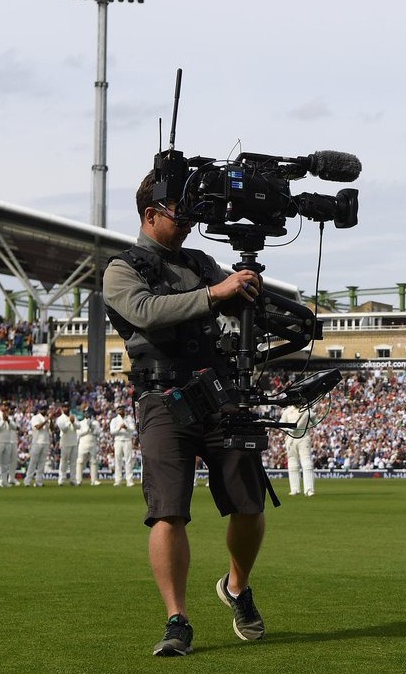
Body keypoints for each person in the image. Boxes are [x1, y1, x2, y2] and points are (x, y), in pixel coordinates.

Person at [102, 169, 276, 657]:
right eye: (179, 213)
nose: (188, 222)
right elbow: (146, 312)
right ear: (149, 214)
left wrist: (255, 295)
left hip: (219, 391)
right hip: (163, 397)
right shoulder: (122, 267)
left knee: (249, 503)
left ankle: (237, 587)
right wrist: (216, 294)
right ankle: (177, 618)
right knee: (168, 512)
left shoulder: (203, 260)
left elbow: (240, 299)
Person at [278, 404, 314, 496]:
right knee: (292, 464)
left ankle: (309, 489)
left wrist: (312, 417)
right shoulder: (287, 411)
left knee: (307, 463)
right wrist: (289, 429)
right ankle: (295, 489)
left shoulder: (307, 410)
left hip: (303, 438)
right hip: (291, 439)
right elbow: (281, 424)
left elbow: (315, 422)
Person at [0, 401, 19, 488]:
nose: (6, 407)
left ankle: (4, 481)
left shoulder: (8, 417)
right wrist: (3, 420)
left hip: (8, 441)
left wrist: (8, 420)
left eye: (7, 406)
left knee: (5, 464)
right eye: (4, 406)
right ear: (0, 406)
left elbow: (14, 427)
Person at [23, 403, 53, 487]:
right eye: (42, 409)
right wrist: (47, 420)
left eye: (45, 409)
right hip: (37, 442)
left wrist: (51, 420)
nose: (44, 411)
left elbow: (52, 429)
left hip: (45, 442)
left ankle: (39, 481)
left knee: (42, 463)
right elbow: (38, 427)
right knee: (33, 462)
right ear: (40, 410)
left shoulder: (47, 418)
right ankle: (27, 481)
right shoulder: (35, 418)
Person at [110, 405, 137, 487]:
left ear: (124, 410)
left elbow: (133, 429)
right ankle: (118, 481)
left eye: (122, 409)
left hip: (127, 440)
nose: (121, 411)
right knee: (118, 461)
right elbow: (112, 432)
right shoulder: (114, 420)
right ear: (117, 411)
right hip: (118, 441)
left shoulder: (129, 419)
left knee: (128, 460)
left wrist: (126, 427)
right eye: (119, 409)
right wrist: (119, 428)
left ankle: (129, 481)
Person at [75, 407, 102, 486]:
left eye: (88, 412)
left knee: (93, 462)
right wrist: (86, 430)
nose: (87, 414)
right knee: (80, 461)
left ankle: (94, 480)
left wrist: (92, 428)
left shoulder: (96, 423)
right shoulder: (80, 423)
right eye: (85, 412)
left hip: (92, 443)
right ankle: (78, 480)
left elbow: (98, 433)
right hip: (83, 444)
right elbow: (78, 433)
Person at [54, 404, 78, 486]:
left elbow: (78, 426)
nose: (66, 408)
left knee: (73, 462)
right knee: (64, 461)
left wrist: (73, 422)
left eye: (67, 407)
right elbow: (63, 429)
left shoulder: (73, 416)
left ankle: (73, 479)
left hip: (74, 441)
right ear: (62, 408)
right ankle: (61, 479)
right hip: (65, 442)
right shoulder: (60, 419)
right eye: (64, 407)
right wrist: (70, 422)